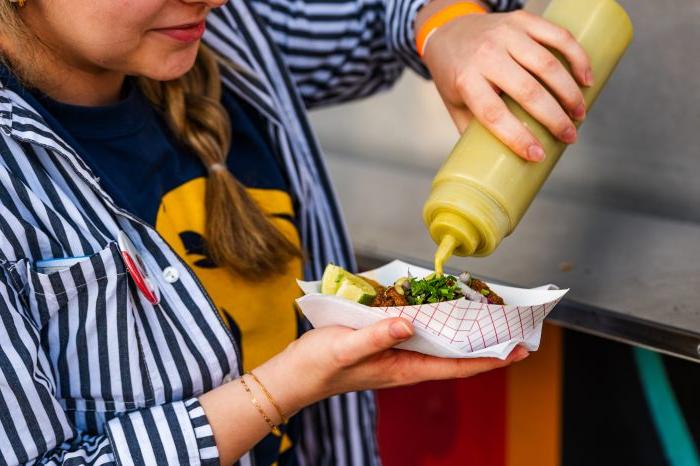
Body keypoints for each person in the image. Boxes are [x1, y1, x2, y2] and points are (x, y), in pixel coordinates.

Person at [0, 0, 592, 464]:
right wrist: (280, 391)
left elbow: (378, 12)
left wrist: (445, 27)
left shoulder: (226, 34)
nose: (215, 0)